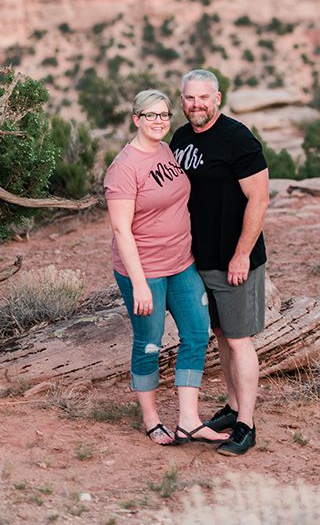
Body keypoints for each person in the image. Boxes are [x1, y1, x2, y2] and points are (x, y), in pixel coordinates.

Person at [104, 89, 230, 447]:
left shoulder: (166, 150)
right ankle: (151, 418)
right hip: (145, 271)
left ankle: (188, 420)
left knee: (196, 333)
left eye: (163, 115)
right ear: (135, 119)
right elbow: (120, 230)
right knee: (149, 343)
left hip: (181, 263)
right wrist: (141, 284)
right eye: (150, 115)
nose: (158, 121)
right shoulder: (124, 169)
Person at [170, 69, 270, 457]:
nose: (197, 105)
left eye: (204, 98)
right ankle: (231, 406)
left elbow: (259, 200)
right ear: (183, 100)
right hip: (198, 260)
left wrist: (242, 254)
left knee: (240, 339)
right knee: (223, 336)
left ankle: (246, 424)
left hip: (234, 260)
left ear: (218, 98)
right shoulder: (180, 138)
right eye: (190, 98)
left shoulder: (237, 139)